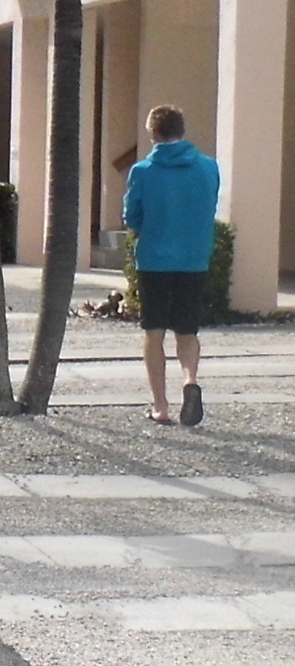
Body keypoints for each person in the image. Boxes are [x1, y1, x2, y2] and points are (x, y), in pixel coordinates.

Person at [124, 105, 221, 426]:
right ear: (182, 128)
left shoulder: (143, 171)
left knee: (154, 332)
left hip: (154, 259)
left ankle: (161, 406)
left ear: (153, 132)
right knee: (187, 329)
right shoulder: (209, 168)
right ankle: (190, 380)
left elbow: (132, 217)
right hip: (194, 258)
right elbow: (210, 205)